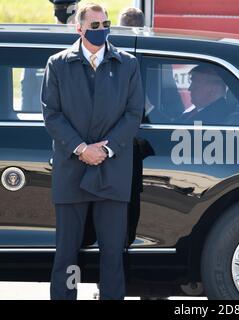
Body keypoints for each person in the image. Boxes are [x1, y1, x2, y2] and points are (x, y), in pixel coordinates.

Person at [41, 3, 144, 300]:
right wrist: (81, 148)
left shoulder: (127, 64)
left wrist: (107, 149)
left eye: (105, 24)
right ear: (80, 28)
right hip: (71, 170)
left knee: (112, 253)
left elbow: (133, 114)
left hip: (112, 171)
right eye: (95, 25)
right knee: (67, 254)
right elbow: (52, 114)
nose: (101, 30)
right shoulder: (58, 64)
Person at [20, 0, 80, 113]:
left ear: (54, 11)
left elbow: (27, 95)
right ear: (76, 11)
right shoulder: (84, 45)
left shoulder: (38, 44)